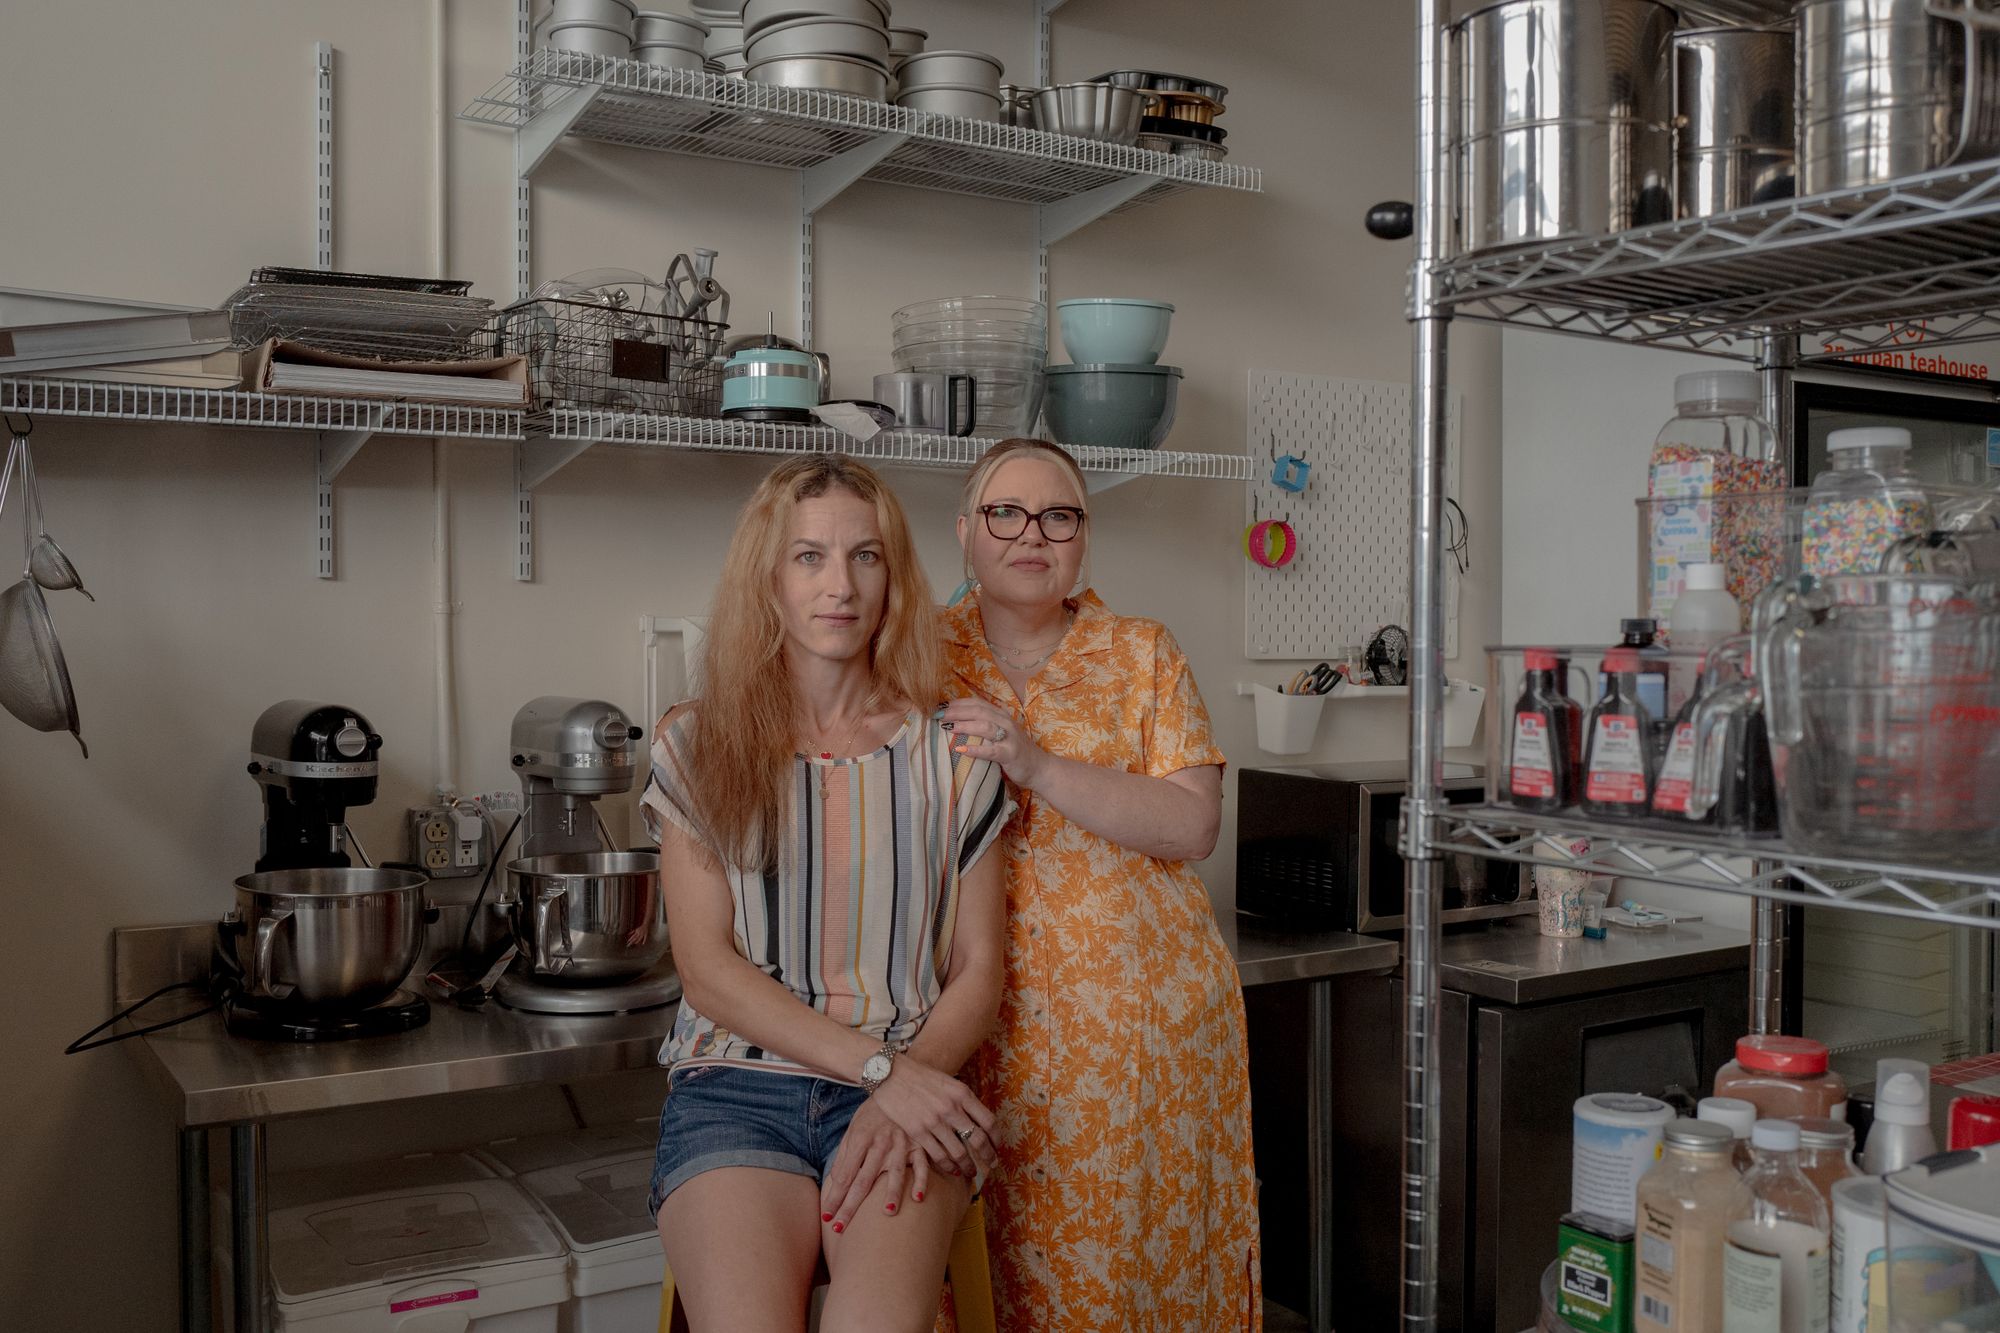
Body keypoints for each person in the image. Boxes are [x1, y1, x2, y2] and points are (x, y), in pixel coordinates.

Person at [643, 455, 1013, 1333]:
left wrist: (900, 1085)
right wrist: (883, 1070)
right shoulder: (698, 745)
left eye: (866, 557)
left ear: (894, 580)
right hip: (735, 1089)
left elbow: (980, 968)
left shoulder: (953, 758)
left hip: (899, 1097)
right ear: (767, 581)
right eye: (808, 557)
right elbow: (706, 972)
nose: (838, 585)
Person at [937, 438, 1262, 1330]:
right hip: (971, 1023)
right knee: (976, 1275)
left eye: (1059, 515)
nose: (1031, 534)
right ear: (966, 530)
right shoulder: (915, 656)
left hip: (1139, 1038)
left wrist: (1036, 762)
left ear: (1084, 537)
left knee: (1128, 1282)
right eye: (1005, 512)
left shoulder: (1141, 653)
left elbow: (1193, 823)